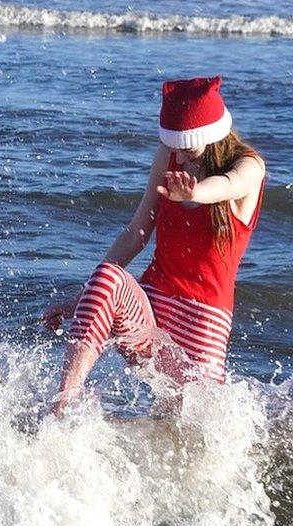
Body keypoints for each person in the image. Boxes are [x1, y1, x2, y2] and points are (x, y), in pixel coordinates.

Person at [42, 76, 266, 414]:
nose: (178, 152)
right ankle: (61, 409)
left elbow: (229, 185)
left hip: (201, 328)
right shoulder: (170, 155)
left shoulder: (248, 165)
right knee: (107, 276)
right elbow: (136, 233)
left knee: (181, 423)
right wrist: (83, 298)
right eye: (173, 143)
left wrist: (195, 194)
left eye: (187, 144)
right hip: (152, 309)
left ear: (211, 133)